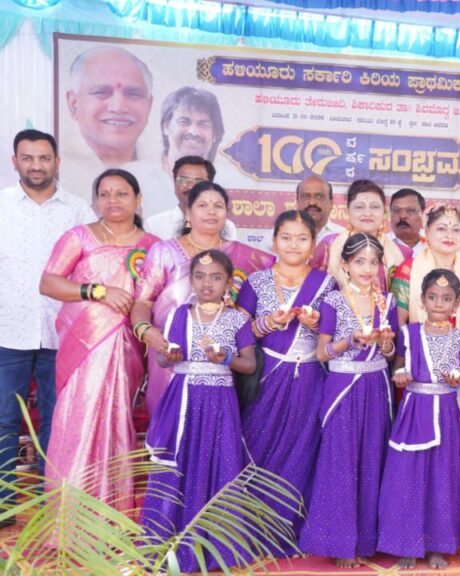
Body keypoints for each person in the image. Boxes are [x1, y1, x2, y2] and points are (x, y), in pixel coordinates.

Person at [39, 168, 157, 510]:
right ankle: (68, 513)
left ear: (138, 199)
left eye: (121, 193)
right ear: (94, 201)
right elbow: (48, 282)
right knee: (76, 420)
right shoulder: (80, 237)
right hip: (83, 348)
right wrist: (97, 291)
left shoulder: (153, 246)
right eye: (104, 194)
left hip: (127, 348)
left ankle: (112, 512)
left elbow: (156, 298)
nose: (112, 200)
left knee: (117, 420)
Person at [140, 249, 259, 573]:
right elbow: (164, 357)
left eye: (216, 277)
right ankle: (167, 544)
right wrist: (169, 356)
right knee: (178, 463)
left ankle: (216, 549)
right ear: (191, 281)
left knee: (217, 463)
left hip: (219, 404)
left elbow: (249, 365)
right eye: (200, 276)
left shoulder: (237, 320)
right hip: (182, 401)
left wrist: (226, 359)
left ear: (229, 283)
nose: (207, 283)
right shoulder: (178, 315)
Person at [0, 129, 93, 524]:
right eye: (28, 158)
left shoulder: (78, 211)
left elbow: (92, 266)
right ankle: (3, 504)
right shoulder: (2, 206)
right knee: (4, 420)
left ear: (57, 162)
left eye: (44, 158)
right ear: (15, 162)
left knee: (58, 419)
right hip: (8, 331)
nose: (36, 165)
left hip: (62, 334)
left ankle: (51, 502)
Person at [235, 210, 334, 553]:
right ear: (274, 241)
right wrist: (267, 324)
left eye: (302, 238)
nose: (294, 244)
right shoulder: (257, 282)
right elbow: (235, 333)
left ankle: (288, 531)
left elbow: (335, 336)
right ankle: (249, 530)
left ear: (314, 244)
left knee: (302, 450)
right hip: (268, 379)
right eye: (286, 237)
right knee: (257, 445)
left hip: (310, 380)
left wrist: (315, 324)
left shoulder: (326, 284)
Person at [132, 181, 273, 417]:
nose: (211, 211)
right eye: (202, 205)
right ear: (188, 213)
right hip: (169, 354)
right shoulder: (164, 252)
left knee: (213, 425)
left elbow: (278, 280)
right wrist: (146, 331)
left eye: (218, 206)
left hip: (221, 363)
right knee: (170, 423)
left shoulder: (246, 256)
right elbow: (143, 302)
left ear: (226, 214)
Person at [299, 233, 399, 568]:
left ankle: (365, 541)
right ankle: (340, 543)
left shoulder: (388, 302)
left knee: (372, 459)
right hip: (343, 386)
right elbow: (322, 353)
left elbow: (391, 353)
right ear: (344, 264)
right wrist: (350, 341)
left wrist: (386, 344)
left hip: (376, 386)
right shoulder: (334, 301)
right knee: (341, 462)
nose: (367, 268)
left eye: (373, 262)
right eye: (359, 261)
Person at [378, 269, 460, 570]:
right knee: (408, 474)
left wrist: (457, 382)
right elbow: (398, 366)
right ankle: (406, 544)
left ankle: (437, 545)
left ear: (457, 303)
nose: (439, 303)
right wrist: (400, 374)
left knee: (442, 476)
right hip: (414, 410)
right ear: (422, 300)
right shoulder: (409, 333)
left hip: (445, 412)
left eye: (446, 298)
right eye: (432, 297)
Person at [391, 204, 460, 468]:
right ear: (426, 232)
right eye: (441, 228)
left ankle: (455, 492)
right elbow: (400, 324)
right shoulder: (408, 271)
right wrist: (408, 364)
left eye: (456, 229)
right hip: (418, 374)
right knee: (417, 446)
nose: (449, 234)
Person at [65, 46, 153, 167]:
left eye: (133, 94)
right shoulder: (54, 166)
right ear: (73, 103)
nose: (118, 107)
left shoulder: (162, 167)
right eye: (101, 92)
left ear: (149, 106)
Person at [312, 179, 404, 285]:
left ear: (384, 211)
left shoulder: (401, 252)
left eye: (375, 207)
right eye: (359, 207)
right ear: (347, 210)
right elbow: (311, 287)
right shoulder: (329, 245)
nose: (367, 213)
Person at [143, 156, 237, 241]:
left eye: (198, 181)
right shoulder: (154, 225)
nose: (190, 187)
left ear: (210, 185)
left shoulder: (226, 227)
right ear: (174, 182)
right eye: (183, 180)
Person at [159, 87, 224, 172]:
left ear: (214, 133)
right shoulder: (144, 175)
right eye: (184, 121)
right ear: (166, 127)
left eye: (203, 124)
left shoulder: (230, 178)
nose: (193, 132)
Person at [295, 175, 343, 244]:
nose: (312, 202)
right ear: (297, 202)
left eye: (319, 196)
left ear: (331, 203)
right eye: (306, 196)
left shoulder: (343, 237)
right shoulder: (282, 237)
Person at [387, 188, 426, 260]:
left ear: (423, 213)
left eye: (411, 210)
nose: (402, 216)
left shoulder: (434, 245)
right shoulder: (381, 244)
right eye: (396, 210)